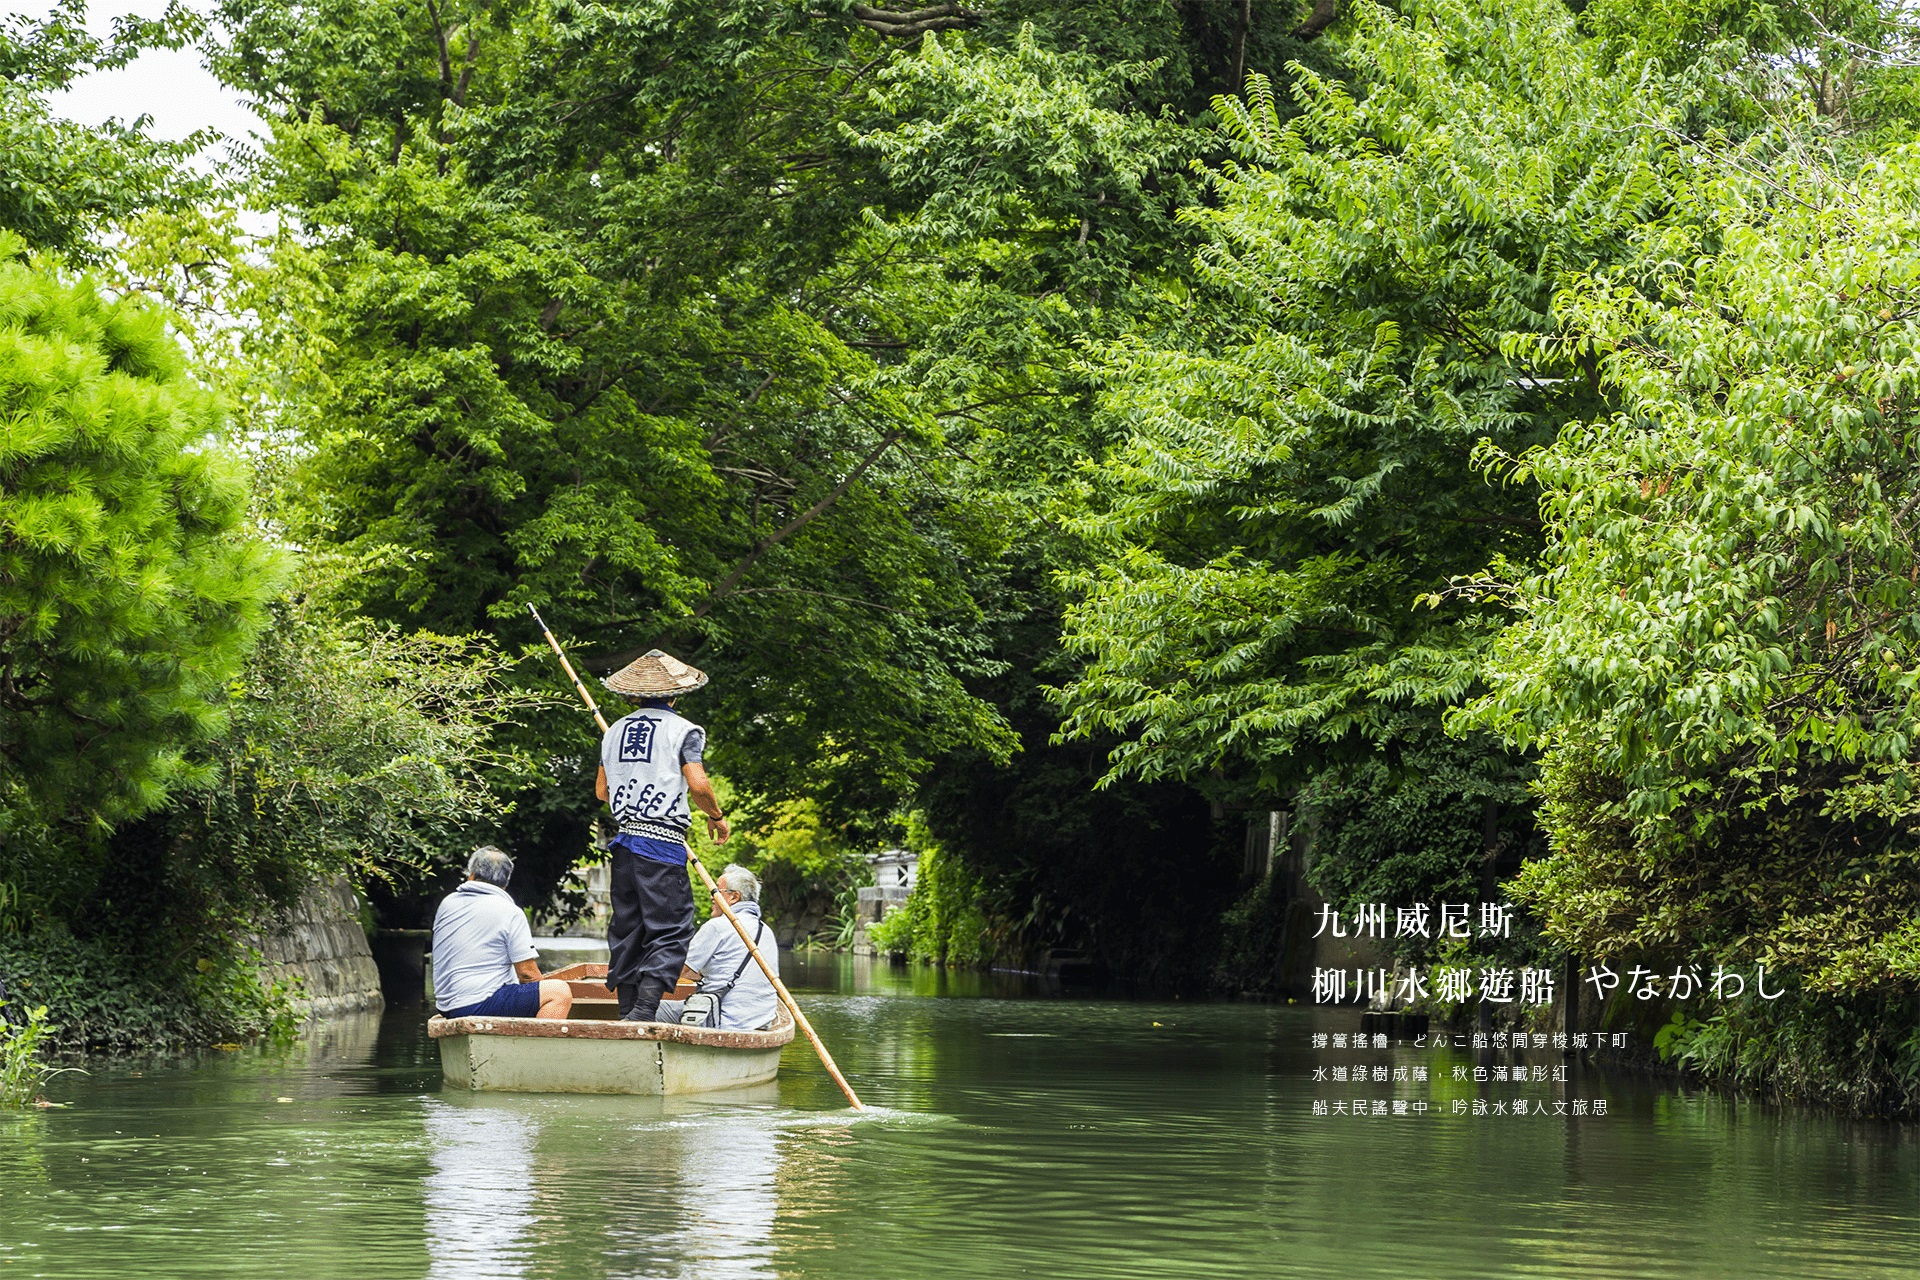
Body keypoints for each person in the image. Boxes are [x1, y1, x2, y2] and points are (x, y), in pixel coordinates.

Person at [595, 648, 731, 1023]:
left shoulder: (613, 733)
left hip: (624, 845)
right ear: (675, 696)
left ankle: (628, 1012)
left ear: (635, 696)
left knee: (628, 929)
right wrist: (716, 817)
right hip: (661, 844)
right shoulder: (684, 730)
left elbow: (602, 792)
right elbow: (698, 785)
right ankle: (643, 1012)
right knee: (671, 928)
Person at [431, 846, 571, 1020]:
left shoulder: (447, 903)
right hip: (477, 1003)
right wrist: (538, 996)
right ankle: (535, 1039)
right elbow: (527, 974)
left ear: (471, 876)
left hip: (446, 1005)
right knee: (559, 992)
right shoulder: (510, 911)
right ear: (505, 883)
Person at [655, 864, 781, 1031]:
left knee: (647, 1008)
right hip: (761, 1020)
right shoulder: (766, 930)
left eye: (716, 891)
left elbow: (681, 971)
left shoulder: (717, 926)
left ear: (734, 897)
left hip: (725, 1020)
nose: (711, 897)